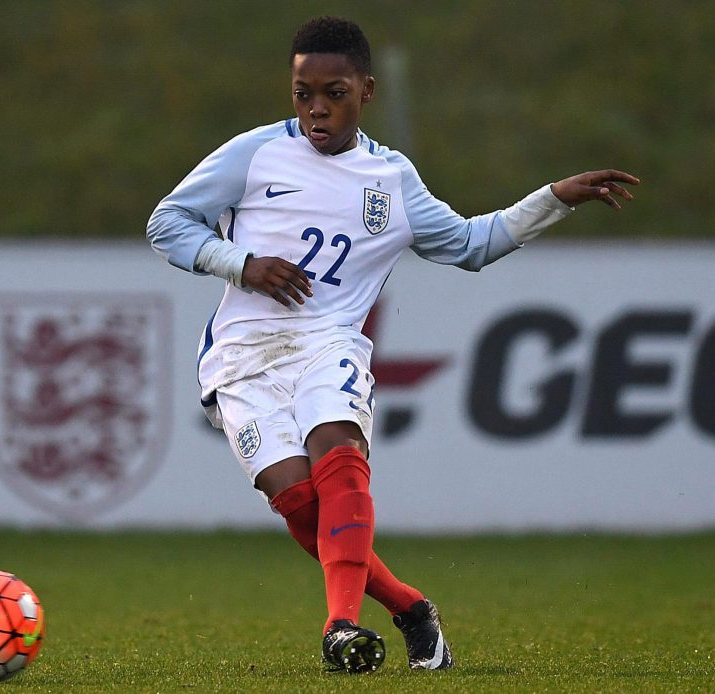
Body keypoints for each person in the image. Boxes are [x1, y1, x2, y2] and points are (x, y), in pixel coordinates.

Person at [146, 15, 638, 674]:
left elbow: (469, 244)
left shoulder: (390, 178)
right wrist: (240, 263)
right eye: (302, 93)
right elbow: (167, 221)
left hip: (331, 343)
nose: (316, 108)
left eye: (334, 92)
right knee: (298, 501)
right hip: (242, 355)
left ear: (366, 90)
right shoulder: (253, 153)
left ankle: (339, 625)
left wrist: (552, 199)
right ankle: (409, 609)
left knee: (341, 457)